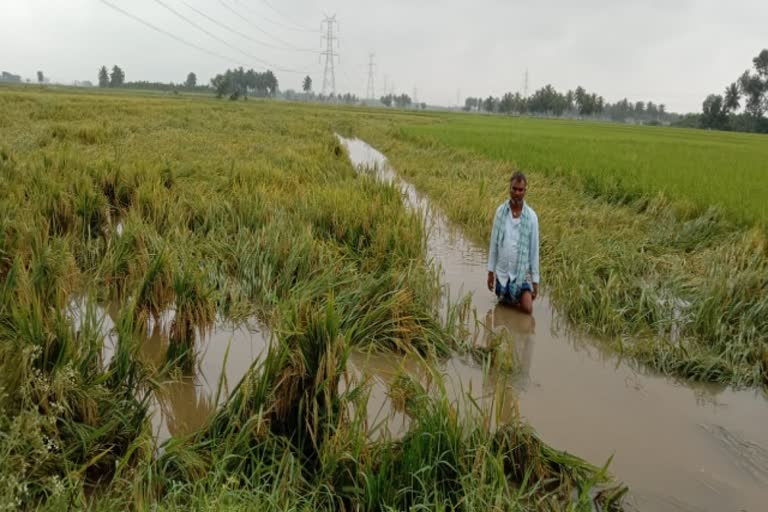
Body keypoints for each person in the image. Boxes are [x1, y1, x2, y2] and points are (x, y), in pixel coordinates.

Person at [486, 171, 540, 314]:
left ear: (525, 191)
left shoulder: (531, 217)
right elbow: (494, 244)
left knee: (527, 309)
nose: (517, 193)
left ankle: (518, 296)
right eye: (514, 189)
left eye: (520, 190)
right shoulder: (500, 212)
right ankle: (509, 298)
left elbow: (534, 251)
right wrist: (490, 272)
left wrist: (535, 281)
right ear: (509, 189)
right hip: (503, 273)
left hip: (521, 274)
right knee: (502, 305)